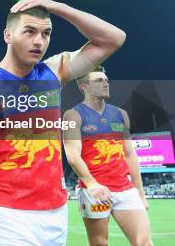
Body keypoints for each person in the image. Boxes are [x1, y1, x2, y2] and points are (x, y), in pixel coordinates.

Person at [0, 0, 126, 246]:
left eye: (46, 33)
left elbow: (114, 38)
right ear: (8, 35)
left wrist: (56, 7)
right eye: (29, 32)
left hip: (56, 210)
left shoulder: (54, 71)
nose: (39, 41)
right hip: (8, 212)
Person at [63, 66, 153, 246]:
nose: (105, 83)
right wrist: (92, 184)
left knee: (144, 242)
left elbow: (129, 154)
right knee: (99, 243)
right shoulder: (72, 115)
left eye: (106, 79)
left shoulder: (121, 114)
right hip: (93, 192)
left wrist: (140, 192)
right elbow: (72, 155)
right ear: (84, 86)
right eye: (98, 80)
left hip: (125, 190)